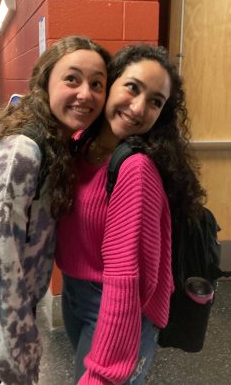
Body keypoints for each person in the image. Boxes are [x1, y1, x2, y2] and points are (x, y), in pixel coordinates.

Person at [0, 35, 111, 385]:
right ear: (45, 83)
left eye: (97, 84)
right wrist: (21, 363)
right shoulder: (21, 152)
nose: (85, 93)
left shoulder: (50, 142)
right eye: (72, 79)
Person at [56, 44, 205, 384]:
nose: (139, 108)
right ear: (109, 84)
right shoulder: (79, 144)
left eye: (155, 101)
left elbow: (126, 280)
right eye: (132, 88)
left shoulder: (135, 169)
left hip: (117, 309)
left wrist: (104, 373)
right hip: (74, 293)